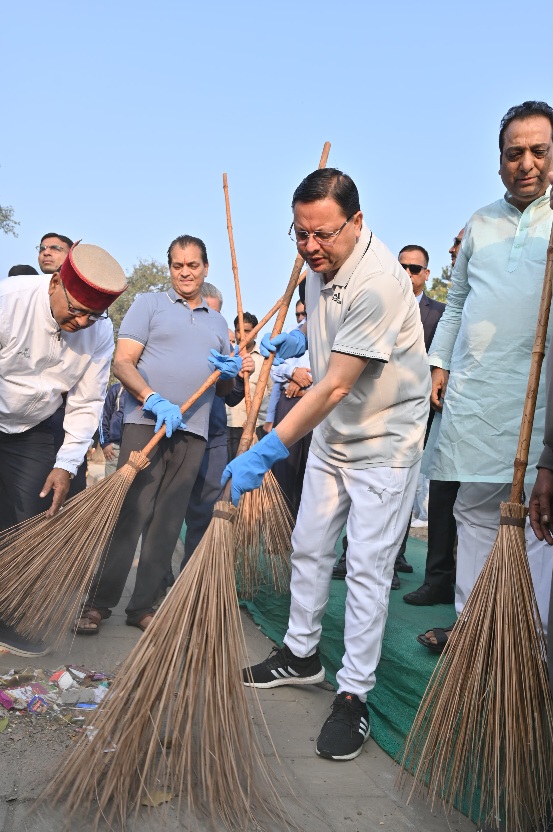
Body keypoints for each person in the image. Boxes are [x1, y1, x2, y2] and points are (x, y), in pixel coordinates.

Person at [222, 168, 430, 761]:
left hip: (384, 442)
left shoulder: (380, 282)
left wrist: (267, 447)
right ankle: (301, 653)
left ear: (357, 223)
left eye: (324, 234)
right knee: (309, 546)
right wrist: (289, 341)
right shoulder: (318, 266)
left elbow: (336, 383)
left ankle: (354, 697)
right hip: (334, 437)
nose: (311, 247)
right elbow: (322, 341)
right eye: (299, 233)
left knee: (365, 568)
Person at [418, 101, 553, 653]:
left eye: (538, 151)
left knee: (541, 518)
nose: (525, 163)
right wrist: (440, 363)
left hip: (541, 393)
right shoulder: (479, 222)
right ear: (499, 163)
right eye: (513, 153)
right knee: (473, 508)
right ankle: (473, 628)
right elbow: (457, 305)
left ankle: (530, 639)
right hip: (477, 391)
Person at [77, 235, 243, 635]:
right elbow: (123, 362)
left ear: (206, 267)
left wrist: (229, 373)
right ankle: (99, 603)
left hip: (195, 431)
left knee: (168, 521)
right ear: (170, 268)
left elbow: (222, 390)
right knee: (131, 512)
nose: (185, 273)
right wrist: (153, 400)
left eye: (193, 265)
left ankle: (143, 606)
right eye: (177, 265)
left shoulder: (219, 321)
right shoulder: (148, 304)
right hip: (147, 423)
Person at [0, 243, 127, 657]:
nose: (81, 322)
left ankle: (9, 617)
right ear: (55, 282)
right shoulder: (9, 302)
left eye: (93, 315)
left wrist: (66, 463)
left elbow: (87, 401)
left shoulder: (99, 331)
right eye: (75, 310)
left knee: (29, 520)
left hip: (36, 426)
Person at [403, 229, 465, 607]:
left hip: (489, 409)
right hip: (445, 409)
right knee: (442, 492)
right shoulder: (458, 304)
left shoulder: (444, 307)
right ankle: (439, 579)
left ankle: (471, 591)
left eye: (460, 243)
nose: (453, 249)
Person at [181, 283, 255, 567]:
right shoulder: (175, 342)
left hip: (213, 437)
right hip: (177, 432)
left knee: (206, 512)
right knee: (166, 510)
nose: (208, 320)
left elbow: (232, 398)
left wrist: (238, 375)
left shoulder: (228, 347)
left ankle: (193, 581)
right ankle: (155, 587)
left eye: (214, 314)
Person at [226, 312, 272, 460]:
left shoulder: (266, 358)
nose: (242, 335)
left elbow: (272, 391)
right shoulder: (229, 358)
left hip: (258, 425)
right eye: (239, 330)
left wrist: (269, 423)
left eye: (247, 331)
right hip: (231, 425)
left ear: (256, 333)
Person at [99, 381, 127, 476]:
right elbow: (103, 416)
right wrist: (105, 443)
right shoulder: (116, 389)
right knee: (110, 485)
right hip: (115, 448)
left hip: (136, 447)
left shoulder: (144, 391)